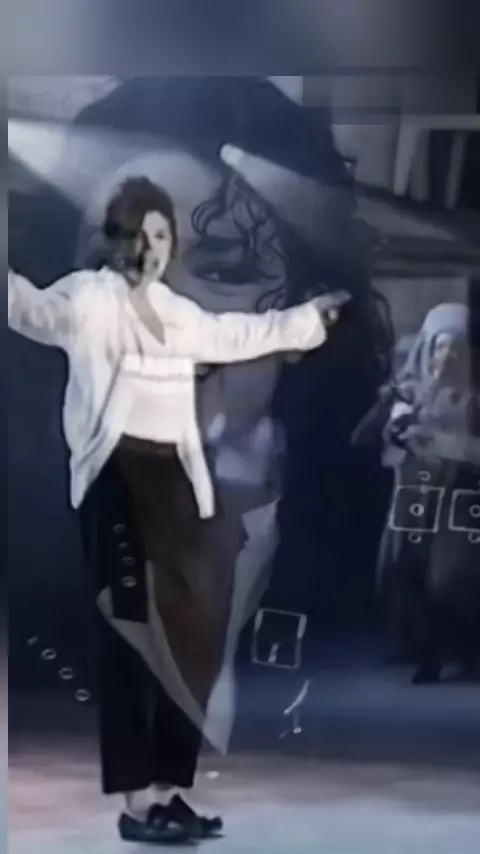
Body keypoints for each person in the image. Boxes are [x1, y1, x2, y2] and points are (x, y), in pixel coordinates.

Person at [8, 175, 350, 844]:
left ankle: (169, 791)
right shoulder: (88, 301)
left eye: (161, 234)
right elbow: (27, 309)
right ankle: (136, 805)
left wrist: (308, 321)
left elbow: (240, 333)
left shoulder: (179, 314)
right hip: (116, 481)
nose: (151, 246)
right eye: (139, 234)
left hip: (176, 489)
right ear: (117, 241)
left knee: (190, 643)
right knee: (130, 640)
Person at [378, 303, 480, 684]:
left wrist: (445, 444)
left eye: (457, 346)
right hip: (417, 491)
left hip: (463, 495)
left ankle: (460, 649)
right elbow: (388, 435)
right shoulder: (414, 387)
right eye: (440, 346)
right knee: (405, 567)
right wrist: (400, 430)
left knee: (452, 575)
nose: (447, 355)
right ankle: (420, 648)